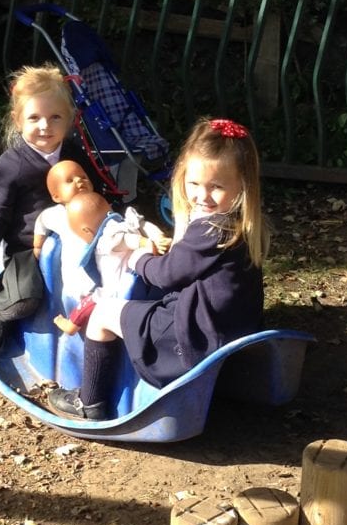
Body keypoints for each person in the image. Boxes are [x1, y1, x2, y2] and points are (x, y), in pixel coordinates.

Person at [48, 117, 268, 420]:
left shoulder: (211, 229)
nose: (202, 196)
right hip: (231, 329)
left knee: (101, 314)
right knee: (148, 303)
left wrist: (136, 257)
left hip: (192, 339)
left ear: (242, 185)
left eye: (216, 187)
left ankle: (90, 402)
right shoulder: (239, 224)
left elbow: (167, 274)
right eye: (194, 184)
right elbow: (186, 266)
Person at [0, 65, 99, 353]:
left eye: (55, 117)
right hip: (28, 247)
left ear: (69, 119)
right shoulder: (11, 165)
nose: (45, 126)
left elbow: (95, 192)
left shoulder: (73, 154)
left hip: (77, 237)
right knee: (25, 300)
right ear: (18, 121)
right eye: (34, 117)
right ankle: (1, 314)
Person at [36, 189, 169, 335]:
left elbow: (124, 240)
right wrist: (158, 238)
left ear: (86, 231)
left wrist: (144, 243)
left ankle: (72, 325)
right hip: (139, 277)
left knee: (90, 301)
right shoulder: (124, 222)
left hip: (116, 291)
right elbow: (141, 226)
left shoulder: (106, 238)